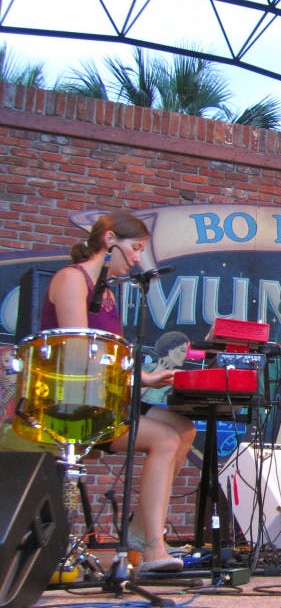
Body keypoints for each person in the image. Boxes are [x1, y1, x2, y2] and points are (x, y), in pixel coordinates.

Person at [42, 211, 195, 573]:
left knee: (184, 429)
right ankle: (153, 545)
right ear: (110, 240)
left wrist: (146, 377)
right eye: (135, 248)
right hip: (73, 403)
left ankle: (140, 530)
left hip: (106, 400)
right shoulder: (72, 280)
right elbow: (81, 353)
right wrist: (132, 378)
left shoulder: (106, 293)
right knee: (164, 440)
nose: (138, 259)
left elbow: (113, 353)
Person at [141, 331, 190, 405]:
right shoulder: (144, 368)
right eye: (182, 350)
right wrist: (158, 370)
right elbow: (130, 397)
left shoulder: (177, 376)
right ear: (170, 349)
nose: (185, 356)